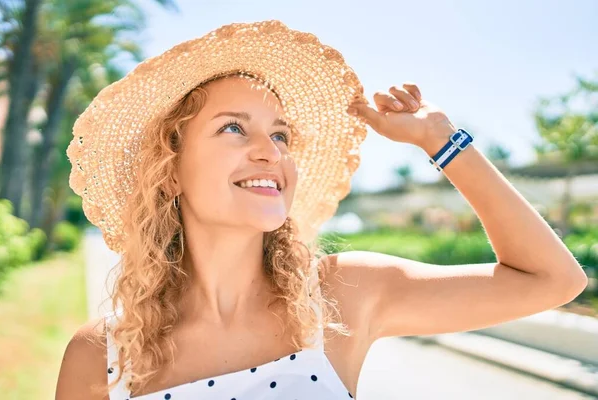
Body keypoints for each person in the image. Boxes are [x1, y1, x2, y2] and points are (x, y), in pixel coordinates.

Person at [55, 20, 588, 400]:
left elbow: (552, 280)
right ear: (170, 170)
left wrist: (442, 142)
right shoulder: (99, 356)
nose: (271, 151)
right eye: (233, 128)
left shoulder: (340, 297)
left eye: (281, 134)